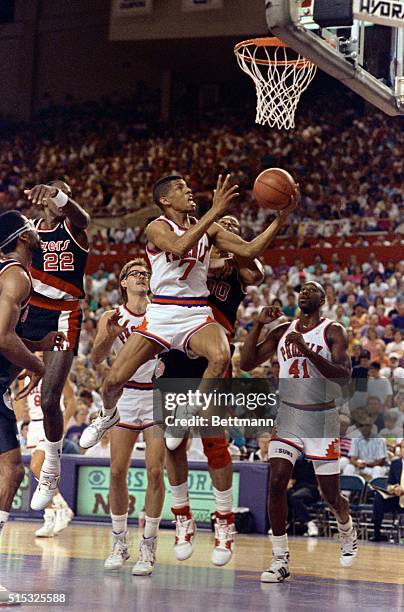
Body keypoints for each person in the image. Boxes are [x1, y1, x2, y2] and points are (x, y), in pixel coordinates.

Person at [81, 174, 296, 449]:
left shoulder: (211, 228)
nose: (190, 191)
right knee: (112, 382)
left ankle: (187, 413)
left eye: (188, 186)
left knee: (221, 356)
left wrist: (281, 218)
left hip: (195, 311)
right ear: (165, 199)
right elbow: (179, 246)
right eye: (181, 189)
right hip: (161, 312)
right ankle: (107, 416)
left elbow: (250, 248)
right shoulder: (156, 227)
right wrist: (215, 211)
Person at [158, 213, 269, 566]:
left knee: (213, 438)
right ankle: (181, 515)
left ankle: (224, 520)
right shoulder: (193, 253)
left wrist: (233, 251)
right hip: (176, 345)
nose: (230, 228)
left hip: (213, 352)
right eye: (224, 225)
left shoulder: (240, 266)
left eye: (235, 228)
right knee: (173, 442)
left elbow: (257, 273)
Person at [240, 281, 357, 583]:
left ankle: (346, 528)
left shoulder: (334, 331)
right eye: (301, 289)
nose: (304, 292)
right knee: (277, 481)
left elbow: (343, 376)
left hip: (322, 417)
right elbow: (247, 362)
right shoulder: (281, 331)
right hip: (289, 414)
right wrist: (258, 324)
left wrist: (305, 349)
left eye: (312, 289)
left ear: (323, 298)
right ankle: (280, 559)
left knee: (330, 494)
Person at [0, 210, 63, 599]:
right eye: (34, 229)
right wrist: (37, 364)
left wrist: (38, 344)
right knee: (11, 468)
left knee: (9, 468)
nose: (41, 234)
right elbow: (2, 338)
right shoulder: (15, 275)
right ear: (24, 236)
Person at [90, 259, 165, 576]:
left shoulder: (161, 312)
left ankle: (148, 545)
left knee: (155, 472)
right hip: (125, 395)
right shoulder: (112, 316)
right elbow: (95, 359)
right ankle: (119, 541)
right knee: (117, 471)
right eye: (134, 273)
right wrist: (109, 336)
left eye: (145, 274)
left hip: (156, 395)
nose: (141, 277)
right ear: (122, 283)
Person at [19, 181, 90, 511]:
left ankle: (51, 467)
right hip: (29, 311)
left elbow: (83, 218)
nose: (54, 198)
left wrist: (60, 195)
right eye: (49, 194)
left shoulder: (74, 229)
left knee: (50, 399)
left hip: (64, 316)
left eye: (61, 194)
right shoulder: (29, 233)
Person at [14, 368, 75, 537]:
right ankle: (50, 517)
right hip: (33, 425)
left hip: (51, 421)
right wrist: (18, 421)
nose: (39, 352)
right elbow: (21, 399)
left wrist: (64, 424)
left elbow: (71, 400)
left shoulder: (57, 369)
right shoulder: (24, 374)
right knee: (42, 473)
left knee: (36, 466)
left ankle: (61, 507)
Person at [371, 439, 404, 542]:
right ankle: (377, 534)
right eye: (403, 447)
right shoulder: (395, 463)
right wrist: (393, 488)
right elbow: (389, 484)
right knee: (378, 498)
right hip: (397, 499)